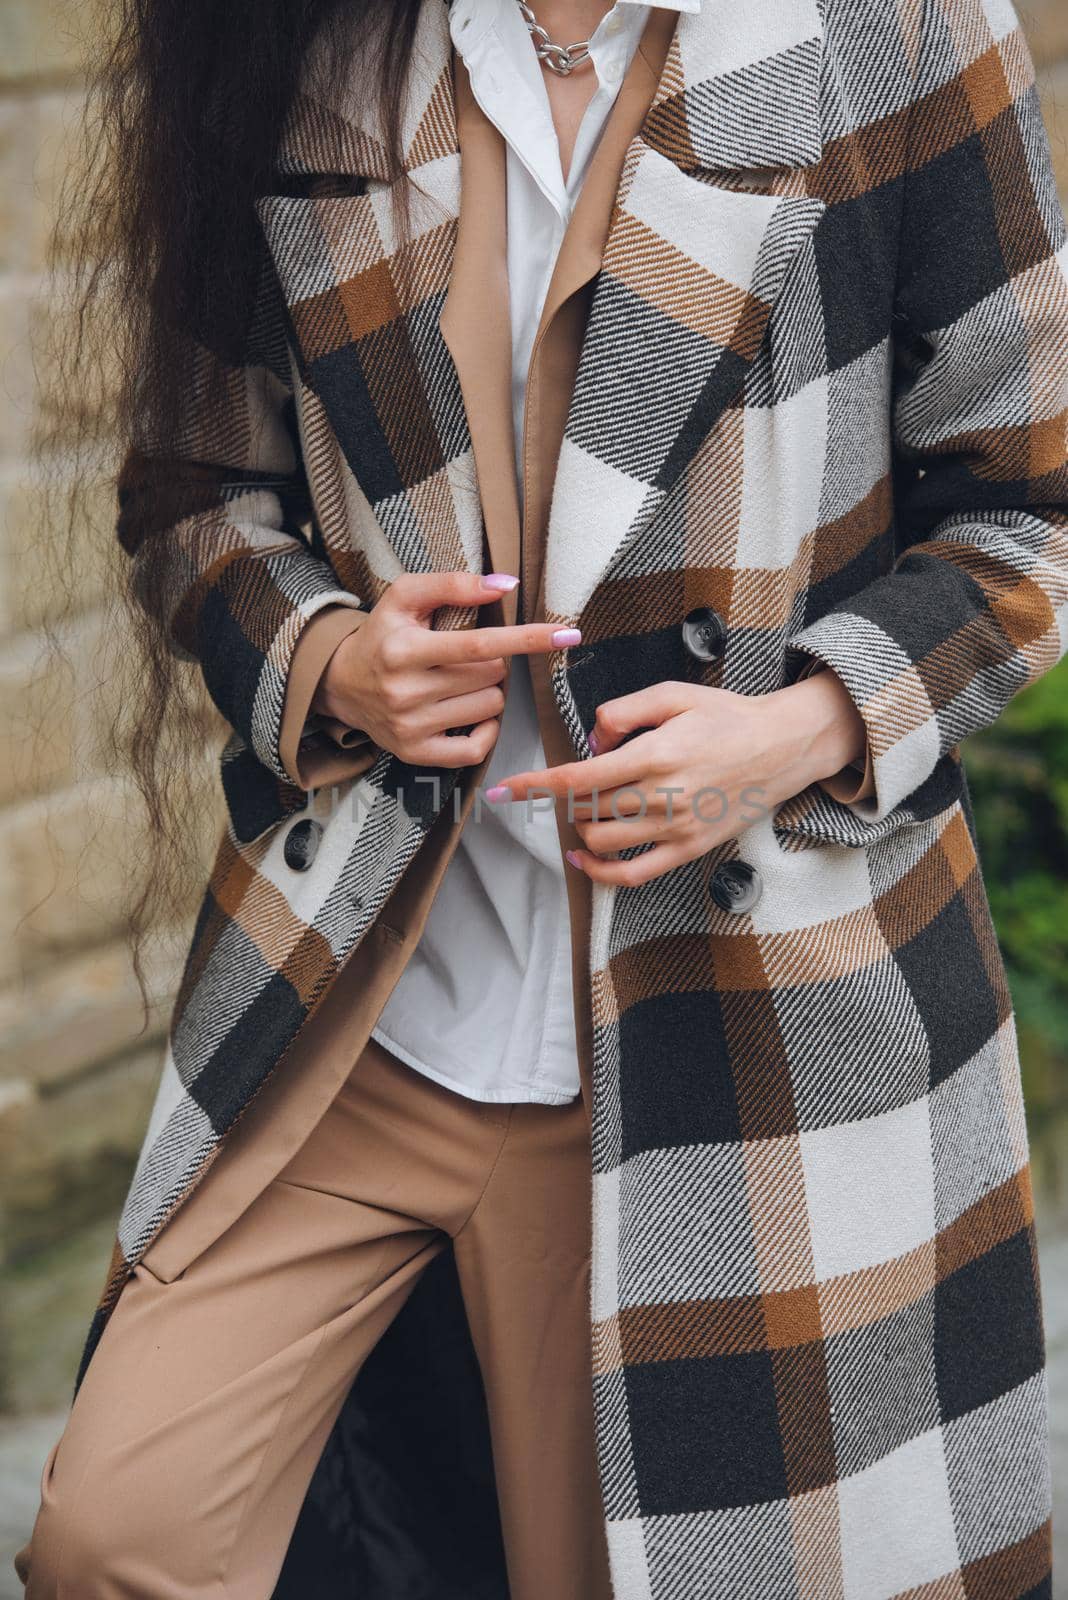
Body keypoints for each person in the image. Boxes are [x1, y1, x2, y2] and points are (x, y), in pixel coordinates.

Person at [16, 0, 1067, 1594]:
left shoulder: (893, 30)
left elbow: (1028, 507)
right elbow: (190, 497)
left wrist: (796, 731)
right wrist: (329, 661)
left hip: (715, 1036)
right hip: (370, 1010)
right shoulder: (308, 43)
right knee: (115, 1532)